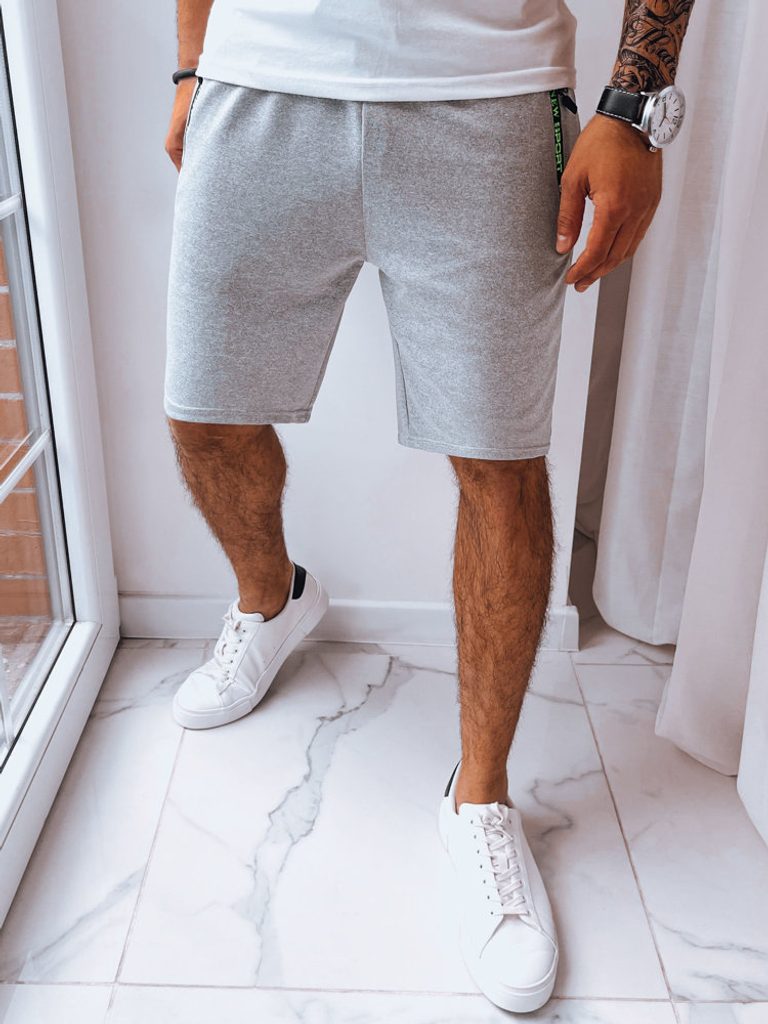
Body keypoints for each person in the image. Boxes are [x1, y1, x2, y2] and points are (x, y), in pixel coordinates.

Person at [163, 1, 695, 1012]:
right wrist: (191, 65)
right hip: (260, 76)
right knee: (203, 415)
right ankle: (273, 600)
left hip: (491, 93)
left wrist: (634, 109)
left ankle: (480, 801)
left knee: (500, 464)